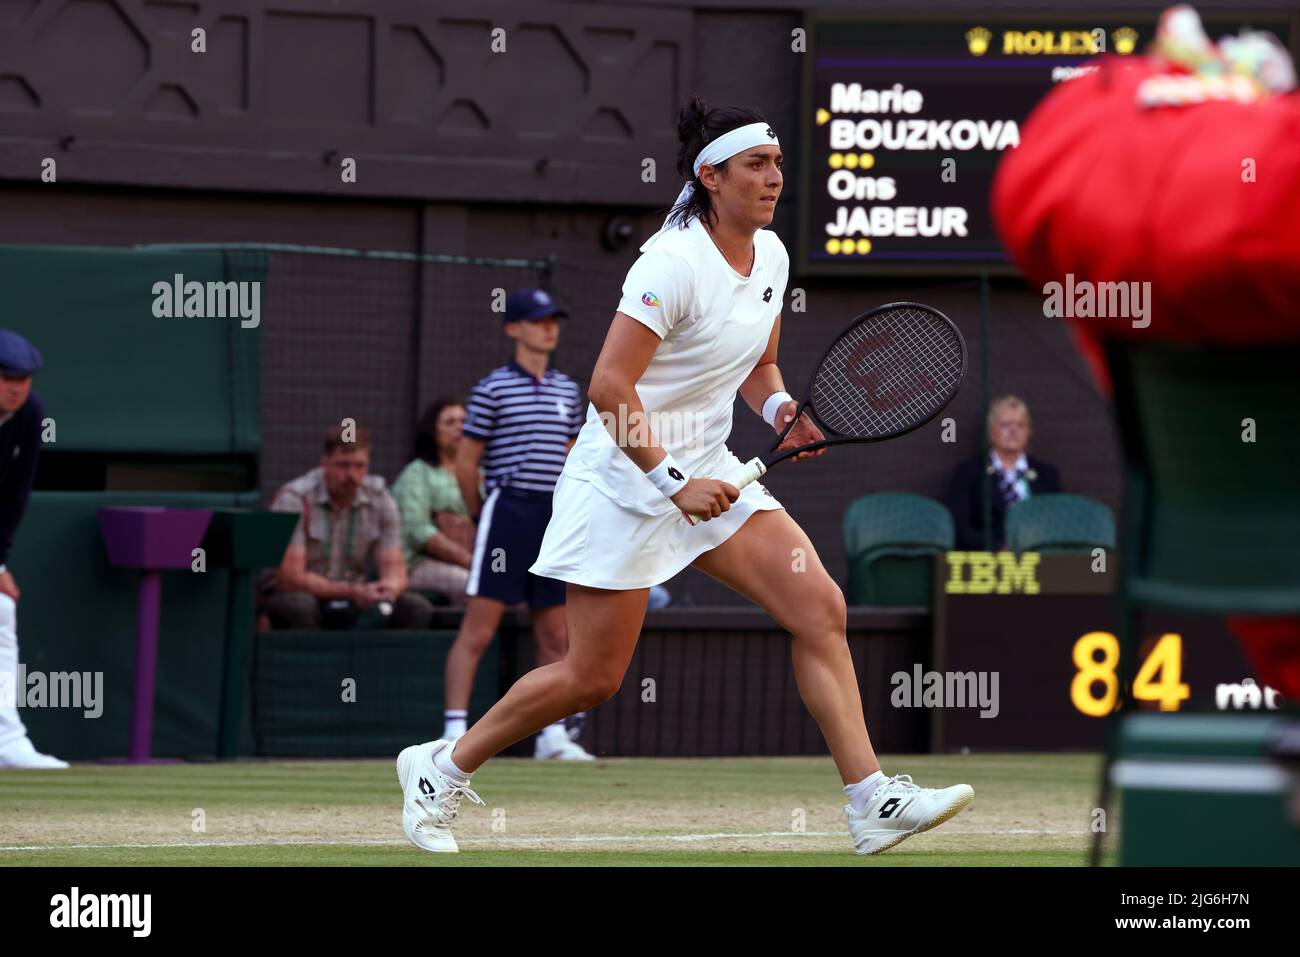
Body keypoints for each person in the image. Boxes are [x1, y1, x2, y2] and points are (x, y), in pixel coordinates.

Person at [394, 99, 973, 855]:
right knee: (591, 676)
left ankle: (871, 800)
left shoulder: (771, 256)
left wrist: (782, 410)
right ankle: (440, 765)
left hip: (709, 468)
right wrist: (672, 482)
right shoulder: (669, 263)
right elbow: (607, 387)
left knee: (818, 605)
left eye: (776, 163)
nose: (774, 178)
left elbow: (758, 367)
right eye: (756, 165)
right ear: (711, 176)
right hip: (623, 485)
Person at [437, 288, 594, 762]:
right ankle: (453, 733)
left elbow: (574, 457)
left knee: (553, 634)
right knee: (479, 629)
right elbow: (467, 463)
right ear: (513, 328)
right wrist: (482, 511)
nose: (550, 328)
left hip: (555, 515)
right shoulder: (491, 388)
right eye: (538, 320)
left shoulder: (569, 390)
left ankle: (552, 737)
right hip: (507, 510)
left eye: (553, 320)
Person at [261, 423, 434, 630]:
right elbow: (291, 578)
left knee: (416, 607)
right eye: (343, 465)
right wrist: (350, 591)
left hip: (357, 593)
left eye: (359, 466)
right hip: (302, 595)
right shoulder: (293, 499)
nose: (352, 475)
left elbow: (395, 569)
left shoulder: (381, 499)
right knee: (298, 606)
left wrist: (387, 589)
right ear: (325, 463)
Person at [0, 331, 68, 769]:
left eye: (23, 379)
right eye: (7, 376)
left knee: (1, 609)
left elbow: (15, 494)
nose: (16, 387)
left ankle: (6, 739)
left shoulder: (31, 415)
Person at [947, 396, 1062, 551]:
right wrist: (999, 548)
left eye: (1020, 425)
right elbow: (960, 528)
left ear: (1029, 432)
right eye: (1005, 425)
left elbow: (1057, 524)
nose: (1013, 430)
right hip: (987, 560)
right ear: (991, 432)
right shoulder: (968, 473)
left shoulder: (1047, 475)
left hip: (1039, 558)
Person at [391, 398, 475, 607]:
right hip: (419, 564)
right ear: (433, 431)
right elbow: (418, 530)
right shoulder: (417, 473)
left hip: (473, 561)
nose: (459, 427)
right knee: (473, 586)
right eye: (450, 422)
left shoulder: (478, 475)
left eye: (464, 421)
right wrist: (470, 562)